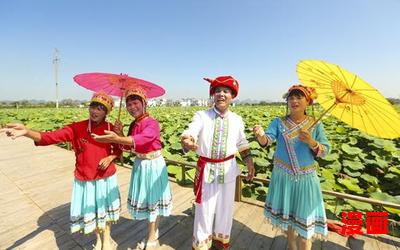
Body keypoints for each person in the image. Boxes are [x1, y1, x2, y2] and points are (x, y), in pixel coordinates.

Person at [1, 91, 121, 250]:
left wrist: (113, 151)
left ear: (106, 112)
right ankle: (99, 239)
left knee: (104, 210)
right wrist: (27, 132)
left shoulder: (110, 128)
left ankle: (106, 241)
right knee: (92, 211)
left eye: (100, 108)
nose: (95, 111)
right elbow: (50, 137)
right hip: (85, 178)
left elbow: (120, 150)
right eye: (93, 106)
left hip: (105, 177)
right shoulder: (77, 128)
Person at [181, 76, 255, 250]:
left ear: (232, 96)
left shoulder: (237, 119)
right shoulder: (202, 115)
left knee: (225, 211)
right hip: (207, 170)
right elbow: (191, 130)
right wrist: (187, 139)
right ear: (213, 95)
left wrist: (249, 162)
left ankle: (221, 244)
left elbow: (242, 143)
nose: (221, 94)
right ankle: (201, 246)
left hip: (228, 170)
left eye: (226, 91)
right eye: (218, 91)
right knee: (204, 211)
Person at [92, 88, 172, 249]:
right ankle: (153, 230)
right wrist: (120, 133)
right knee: (147, 200)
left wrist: (119, 137)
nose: (131, 107)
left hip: (153, 164)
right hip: (140, 164)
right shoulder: (135, 124)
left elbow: (145, 138)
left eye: (135, 103)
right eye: (128, 104)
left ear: (144, 103)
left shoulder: (152, 122)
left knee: (153, 200)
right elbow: (127, 147)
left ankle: (152, 238)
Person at [253, 84, 330, 250]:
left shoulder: (316, 125)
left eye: (299, 97)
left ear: (308, 102)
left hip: (306, 180)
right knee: (287, 218)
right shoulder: (278, 122)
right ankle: (291, 247)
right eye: (291, 97)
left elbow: (325, 151)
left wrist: (311, 142)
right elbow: (267, 141)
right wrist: (260, 135)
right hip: (283, 177)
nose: (294, 100)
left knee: (305, 226)